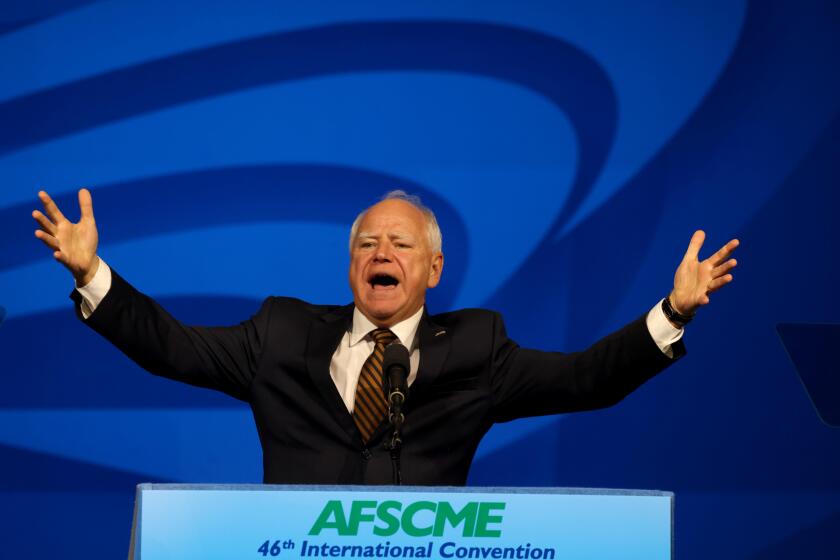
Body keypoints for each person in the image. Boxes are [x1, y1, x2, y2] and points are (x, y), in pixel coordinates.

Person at [32, 188, 739, 485]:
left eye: (399, 244)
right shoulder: (280, 333)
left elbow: (587, 378)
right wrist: (94, 272)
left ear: (433, 268)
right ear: (349, 265)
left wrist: (671, 313)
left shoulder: (476, 348)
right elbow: (172, 347)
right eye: (367, 243)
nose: (381, 254)